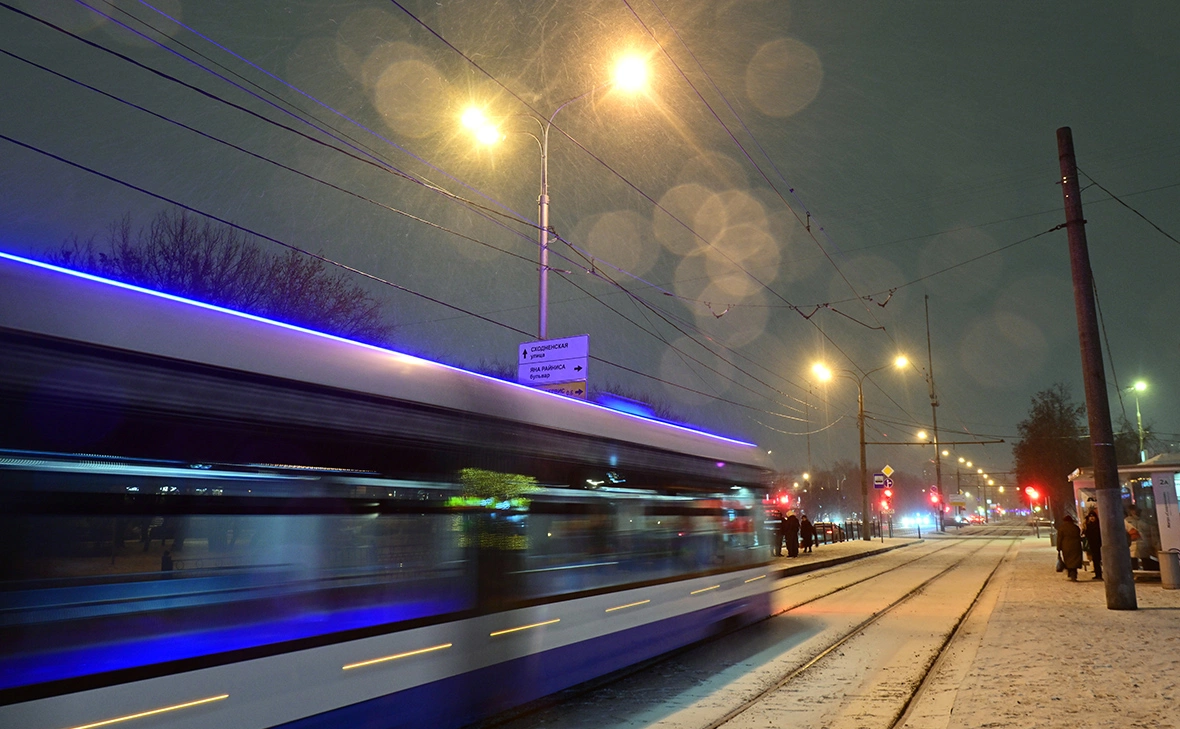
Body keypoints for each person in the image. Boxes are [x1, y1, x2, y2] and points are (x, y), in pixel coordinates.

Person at [1057, 514, 1083, 581]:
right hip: (1076, 546)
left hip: (1066, 546)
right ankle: (1074, 574)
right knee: (1075, 561)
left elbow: (1059, 538)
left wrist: (1058, 547)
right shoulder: (1076, 527)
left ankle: (1071, 573)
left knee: (1068, 561)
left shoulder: (1062, 528)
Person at [1082, 510, 1102, 580]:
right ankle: (1097, 574)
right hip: (1092, 545)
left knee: (1098, 560)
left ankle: (1099, 574)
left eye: (1093, 516)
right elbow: (1084, 534)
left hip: (1099, 545)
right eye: (1090, 517)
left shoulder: (1099, 525)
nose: (1092, 518)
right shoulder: (1088, 525)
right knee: (1095, 560)